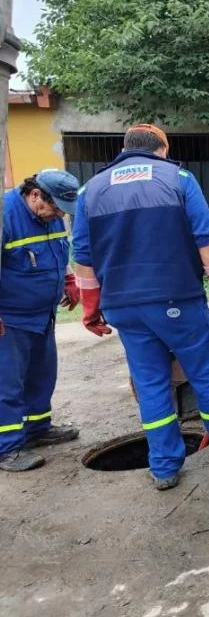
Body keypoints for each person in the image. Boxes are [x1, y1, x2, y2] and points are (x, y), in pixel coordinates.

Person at [71, 124, 209, 490]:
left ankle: (163, 467)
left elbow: (83, 258)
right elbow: (207, 241)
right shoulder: (178, 178)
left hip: (124, 307)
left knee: (150, 383)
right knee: (207, 373)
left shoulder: (90, 190)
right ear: (161, 149)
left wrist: (89, 309)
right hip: (177, 300)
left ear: (126, 150)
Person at [0, 170, 82, 471]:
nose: (58, 214)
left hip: (42, 315)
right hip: (10, 319)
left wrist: (69, 278)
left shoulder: (52, 217)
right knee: (7, 384)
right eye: (55, 207)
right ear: (35, 195)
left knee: (42, 376)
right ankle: (7, 449)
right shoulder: (5, 216)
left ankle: (38, 429)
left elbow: (60, 250)